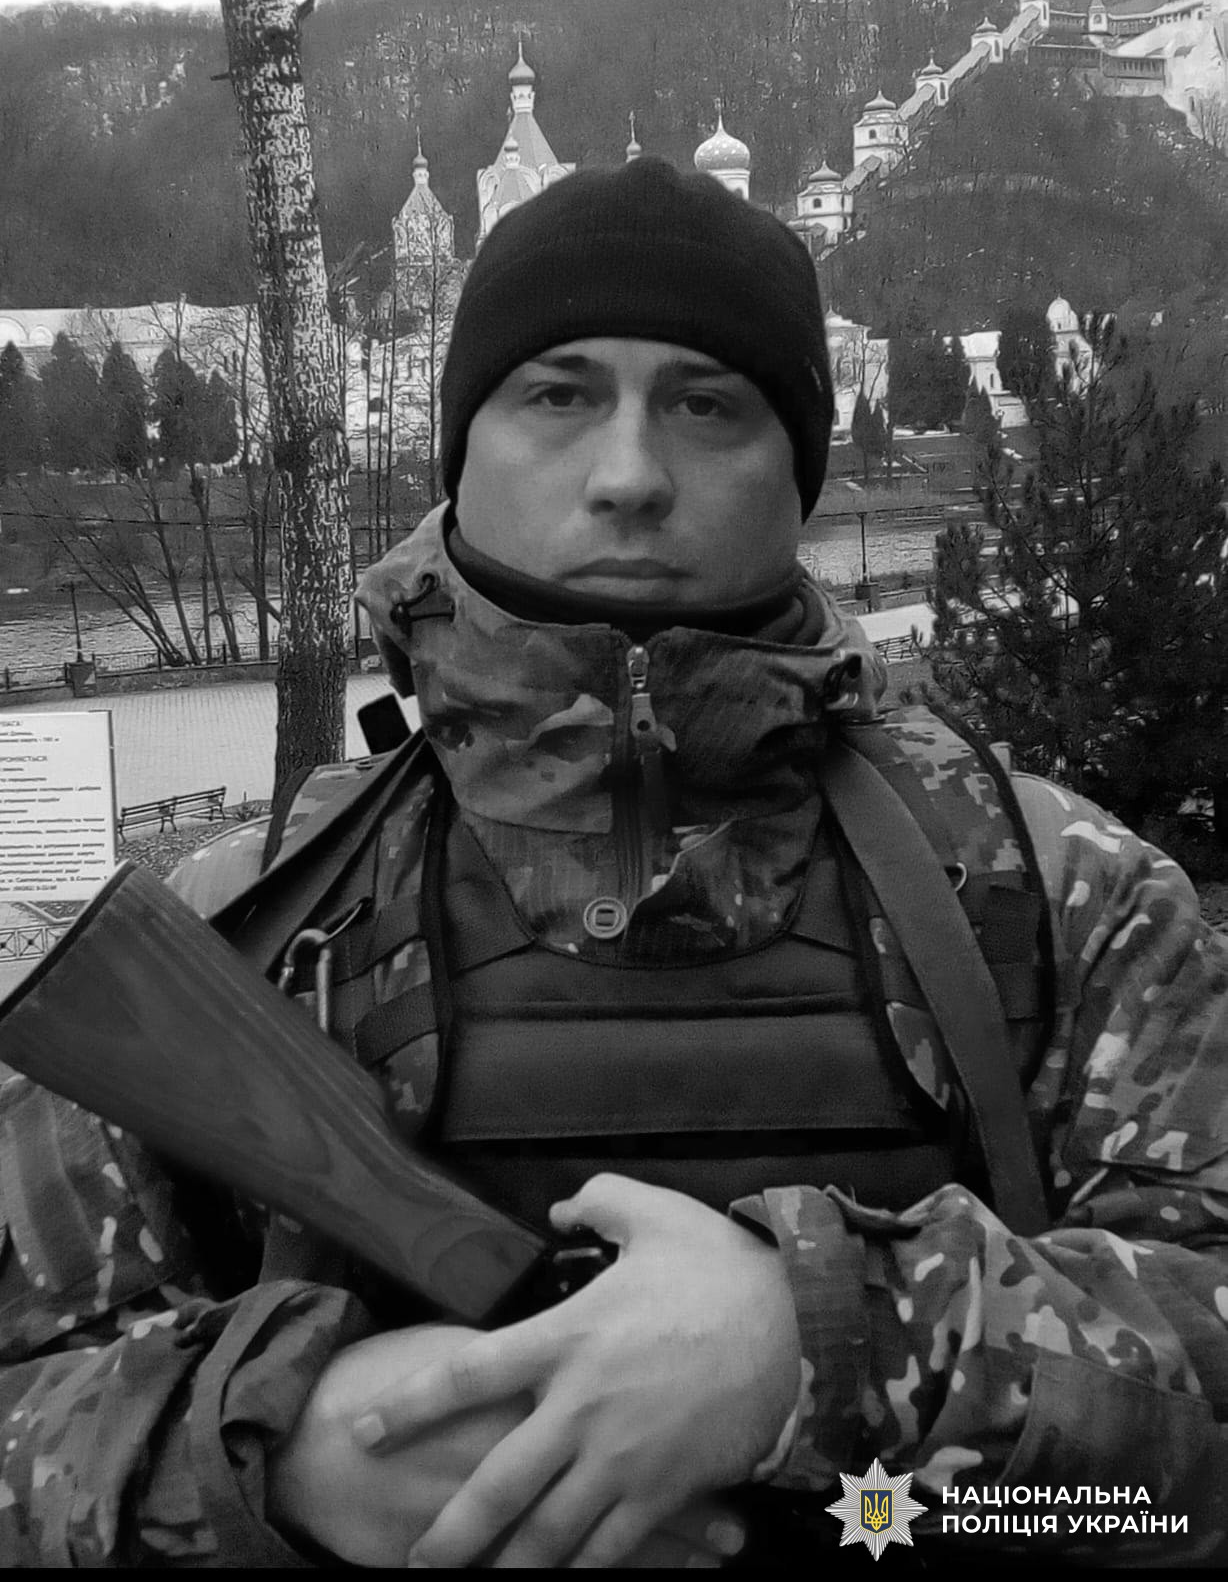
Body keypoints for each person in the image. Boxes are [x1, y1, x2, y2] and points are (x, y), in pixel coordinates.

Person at [1, 157, 1226, 1569]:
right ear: (462, 449)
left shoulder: (1065, 899)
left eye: (707, 405)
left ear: (799, 473)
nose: (631, 476)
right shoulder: (233, 931)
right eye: (559, 394)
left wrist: (835, 1345)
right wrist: (272, 1449)